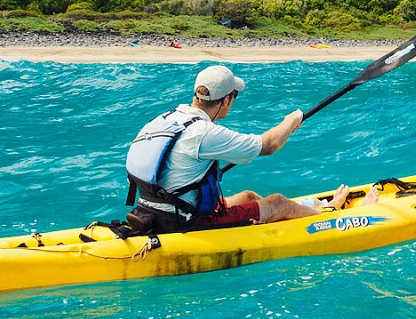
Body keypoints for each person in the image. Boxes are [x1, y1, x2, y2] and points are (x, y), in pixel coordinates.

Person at [124, 64, 353, 234]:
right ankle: (331, 218)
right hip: (185, 221)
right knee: (277, 202)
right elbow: (270, 144)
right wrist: (292, 119)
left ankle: (306, 213)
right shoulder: (204, 132)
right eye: (234, 96)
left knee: (248, 196)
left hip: (150, 210)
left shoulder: (163, 120)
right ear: (225, 101)